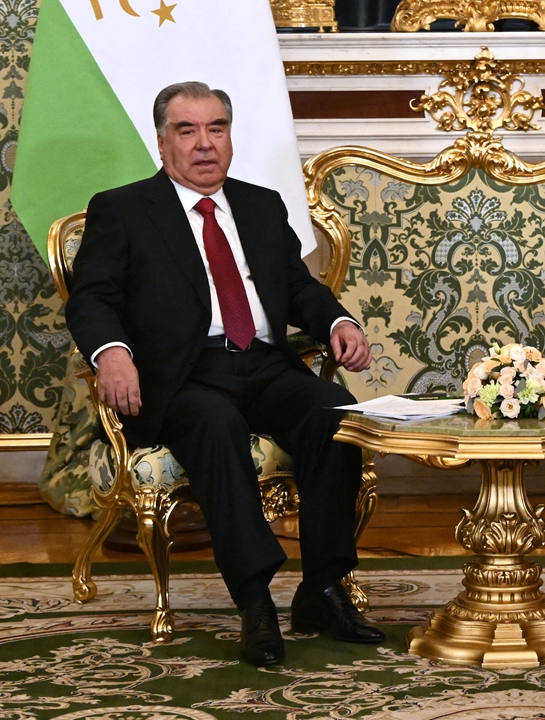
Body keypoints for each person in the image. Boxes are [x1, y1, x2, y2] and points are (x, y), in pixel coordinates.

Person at [66, 81, 384, 667]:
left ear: (230, 138)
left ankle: (322, 591)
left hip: (263, 363)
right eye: (187, 131)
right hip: (183, 375)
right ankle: (255, 601)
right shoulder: (124, 209)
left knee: (335, 418)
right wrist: (111, 351)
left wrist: (338, 321)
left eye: (216, 128)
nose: (204, 144)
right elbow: (92, 298)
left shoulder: (260, 205)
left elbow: (295, 287)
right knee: (215, 425)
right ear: (162, 143)